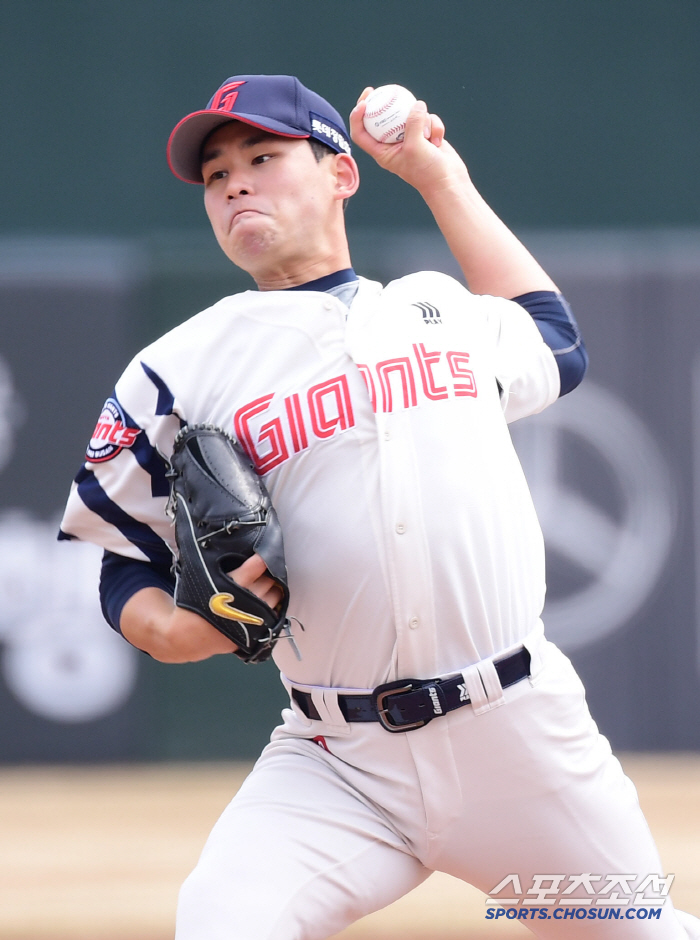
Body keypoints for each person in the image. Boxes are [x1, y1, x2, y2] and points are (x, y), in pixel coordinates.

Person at [60, 74, 699, 939]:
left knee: (645, 931)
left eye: (264, 155)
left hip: (521, 736)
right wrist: (168, 630)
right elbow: (116, 552)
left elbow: (555, 342)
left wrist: (440, 178)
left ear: (340, 173)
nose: (236, 182)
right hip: (337, 761)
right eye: (216, 175)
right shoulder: (178, 366)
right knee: (222, 923)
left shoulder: (434, 311)